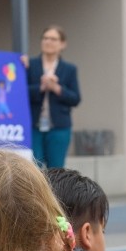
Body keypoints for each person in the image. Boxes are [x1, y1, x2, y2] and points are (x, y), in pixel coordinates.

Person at [27, 25, 81, 168]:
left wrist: (57, 88)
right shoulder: (30, 65)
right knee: (33, 168)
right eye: (45, 38)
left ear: (62, 44)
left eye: (53, 39)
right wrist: (41, 87)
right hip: (34, 126)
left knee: (56, 170)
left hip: (59, 127)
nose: (48, 42)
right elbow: (21, 93)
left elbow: (75, 98)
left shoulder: (69, 69)